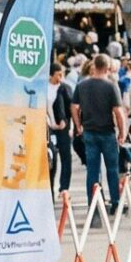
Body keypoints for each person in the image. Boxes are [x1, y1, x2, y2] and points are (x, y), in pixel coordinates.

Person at [73, 54, 126, 210]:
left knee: (93, 170)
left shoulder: (82, 86)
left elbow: (74, 106)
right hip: (107, 131)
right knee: (112, 168)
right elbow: (118, 112)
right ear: (108, 68)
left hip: (89, 131)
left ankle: (94, 202)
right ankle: (115, 202)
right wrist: (122, 133)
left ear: (94, 66)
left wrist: (78, 125)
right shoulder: (111, 86)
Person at [49, 60, 77, 191]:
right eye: (58, 74)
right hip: (49, 127)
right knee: (51, 158)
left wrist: (70, 125)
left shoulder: (65, 88)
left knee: (66, 158)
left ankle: (64, 186)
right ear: (51, 75)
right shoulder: (45, 88)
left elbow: (71, 107)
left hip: (63, 128)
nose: (61, 77)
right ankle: (50, 185)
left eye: (62, 74)